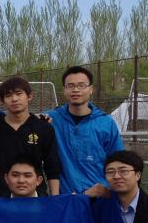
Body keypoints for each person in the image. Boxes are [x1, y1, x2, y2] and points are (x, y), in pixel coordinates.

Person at [0, 76, 60, 197]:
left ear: (30, 96)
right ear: (2, 100)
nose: (14, 99)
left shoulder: (44, 127)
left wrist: (55, 198)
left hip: (36, 198)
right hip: (1, 199)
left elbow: (52, 166)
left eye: (19, 94)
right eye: (8, 95)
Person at [51, 66, 124, 194]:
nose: (76, 89)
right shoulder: (52, 119)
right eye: (70, 86)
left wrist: (105, 188)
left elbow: (119, 161)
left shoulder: (106, 123)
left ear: (91, 89)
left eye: (81, 85)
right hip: (67, 198)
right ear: (64, 90)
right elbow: (23, 119)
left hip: (99, 196)